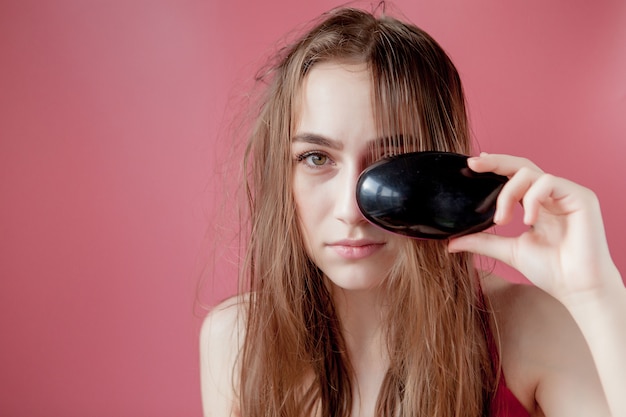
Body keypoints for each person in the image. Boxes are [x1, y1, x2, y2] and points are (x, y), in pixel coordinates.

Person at [200, 6, 625, 417]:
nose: (350, 210)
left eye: (390, 162)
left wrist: (595, 295)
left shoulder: (529, 330)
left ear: (439, 170)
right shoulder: (236, 341)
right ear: (282, 172)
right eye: (316, 158)